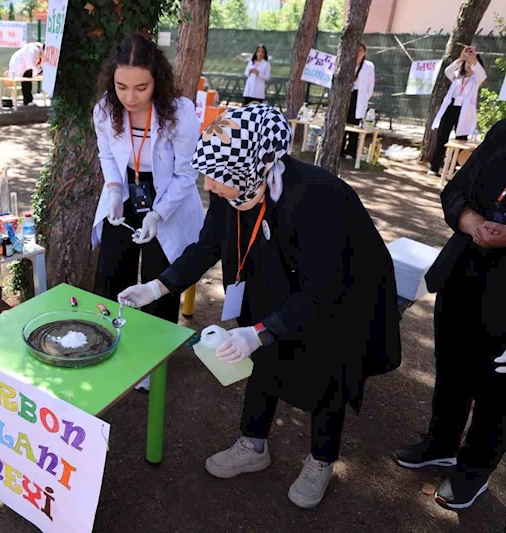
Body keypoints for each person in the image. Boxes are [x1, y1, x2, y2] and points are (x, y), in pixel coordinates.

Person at [119, 104, 401, 509]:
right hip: (276, 275)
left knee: (327, 371)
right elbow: (208, 245)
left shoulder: (319, 199)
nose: (209, 187)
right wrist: (158, 286)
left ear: (254, 170)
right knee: (262, 357)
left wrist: (259, 333)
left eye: (217, 179)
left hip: (342, 295)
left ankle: (321, 460)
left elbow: (322, 292)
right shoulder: (230, 184)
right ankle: (253, 445)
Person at [393, 119, 506, 510]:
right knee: (453, 367)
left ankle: (474, 468)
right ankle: (441, 442)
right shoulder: (503, 132)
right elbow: (454, 192)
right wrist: (472, 222)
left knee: (497, 387)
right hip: (462, 273)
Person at [92, 35, 204, 389]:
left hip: (167, 193)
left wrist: (158, 212)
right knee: (112, 269)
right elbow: (108, 156)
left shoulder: (180, 112)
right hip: (125, 189)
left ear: (157, 79)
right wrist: (112, 189)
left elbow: (187, 171)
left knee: (160, 277)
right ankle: (107, 345)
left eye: (141, 87)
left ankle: (152, 361)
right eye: (121, 86)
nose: (130, 97)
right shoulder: (105, 109)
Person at [427, 46, 487, 177]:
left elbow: (482, 74)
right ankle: (434, 166)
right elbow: (447, 70)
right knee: (442, 135)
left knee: (461, 139)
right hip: (451, 107)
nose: (468, 65)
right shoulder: (456, 76)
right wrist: (460, 58)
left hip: (464, 111)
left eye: (472, 63)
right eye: (467, 62)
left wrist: (474, 60)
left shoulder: (476, 79)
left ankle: (453, 169)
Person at [342, 43, 375, 159]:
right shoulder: (346, 62)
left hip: (358, 96)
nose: (358, 53)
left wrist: (365, 98)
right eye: (356, 50)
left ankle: (351, 151)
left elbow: (370, 85)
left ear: (365, 52)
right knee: (342, 122)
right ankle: (340, 148)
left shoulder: (369, 66)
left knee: (354, 124)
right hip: (345, 95)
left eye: (360, 50)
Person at [8, 42, 44, 106]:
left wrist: (39, 71)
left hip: (24, 68)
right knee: (26, 81)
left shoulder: (38, 51)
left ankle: (28, 100)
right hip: (17, 66)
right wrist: (40, 72)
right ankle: (27, 101)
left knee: (27, 81)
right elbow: (30, 63)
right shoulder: (32, 49)